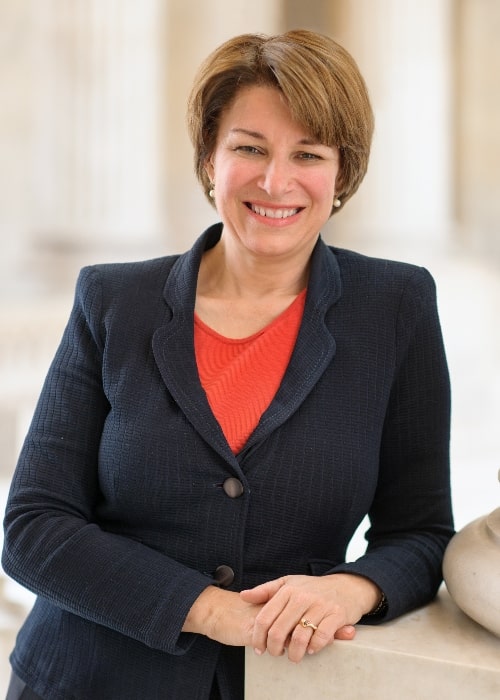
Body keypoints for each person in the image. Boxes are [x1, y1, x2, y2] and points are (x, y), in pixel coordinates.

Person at [2, 29, 454, 700]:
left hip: (286, 684)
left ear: (341, 174)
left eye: (307, 153)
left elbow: (419, 533)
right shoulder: (112, 300)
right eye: (249, 148)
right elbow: (33, 527)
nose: (276, 181)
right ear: (210, 158)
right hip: (86, 680)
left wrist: (352, 588)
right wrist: (210, 611)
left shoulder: (395, 306)